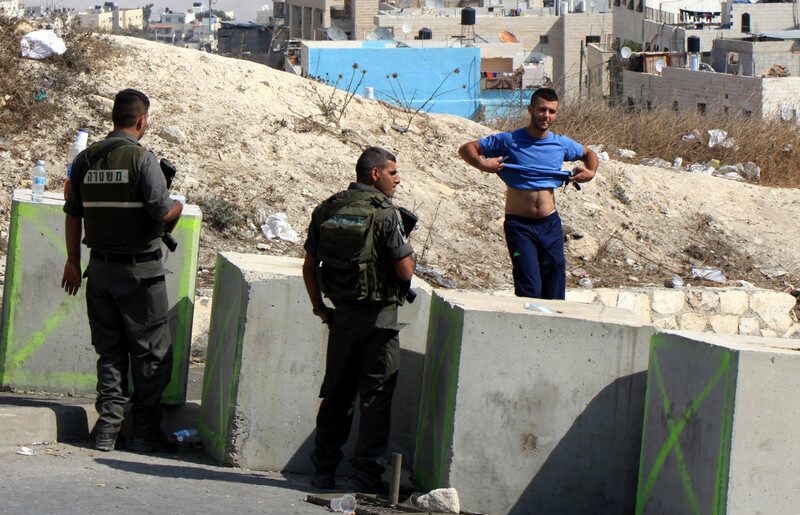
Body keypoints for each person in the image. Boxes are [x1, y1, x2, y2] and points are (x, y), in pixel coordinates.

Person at [60, 88, 183, 453]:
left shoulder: (85, 159)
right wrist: (177, 204)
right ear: (142, 120)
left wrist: (72, 261)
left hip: (98, 271)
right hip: (140, 273)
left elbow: (73, 214)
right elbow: (162, 213)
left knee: (110, 352)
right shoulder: (143, 161)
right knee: (152, 355)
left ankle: (107, 430)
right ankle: (144, 433)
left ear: (114, 117)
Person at [302, 146, 415, 492]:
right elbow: (405, 268)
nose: (398, 179)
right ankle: (366, 474)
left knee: (336, 396)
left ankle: (324, 471)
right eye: (393, 173)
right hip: (379, 322)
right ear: (375, 174)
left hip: (340, 319)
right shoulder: (384, 213)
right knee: (375, 397)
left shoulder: (328, 208)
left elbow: (309, 266)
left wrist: (320, 308)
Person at [459, 87, 598, 300]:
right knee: (529, 286)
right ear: (530, 109)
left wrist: (590, 173)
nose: (546, 116)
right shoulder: (510, 140)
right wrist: (484, 165)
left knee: (554, 284)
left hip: (550, 224)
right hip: (519, 227)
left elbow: (589, 154)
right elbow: (467, 148)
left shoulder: (560, 143)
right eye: (542, 110)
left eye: (552, 111)